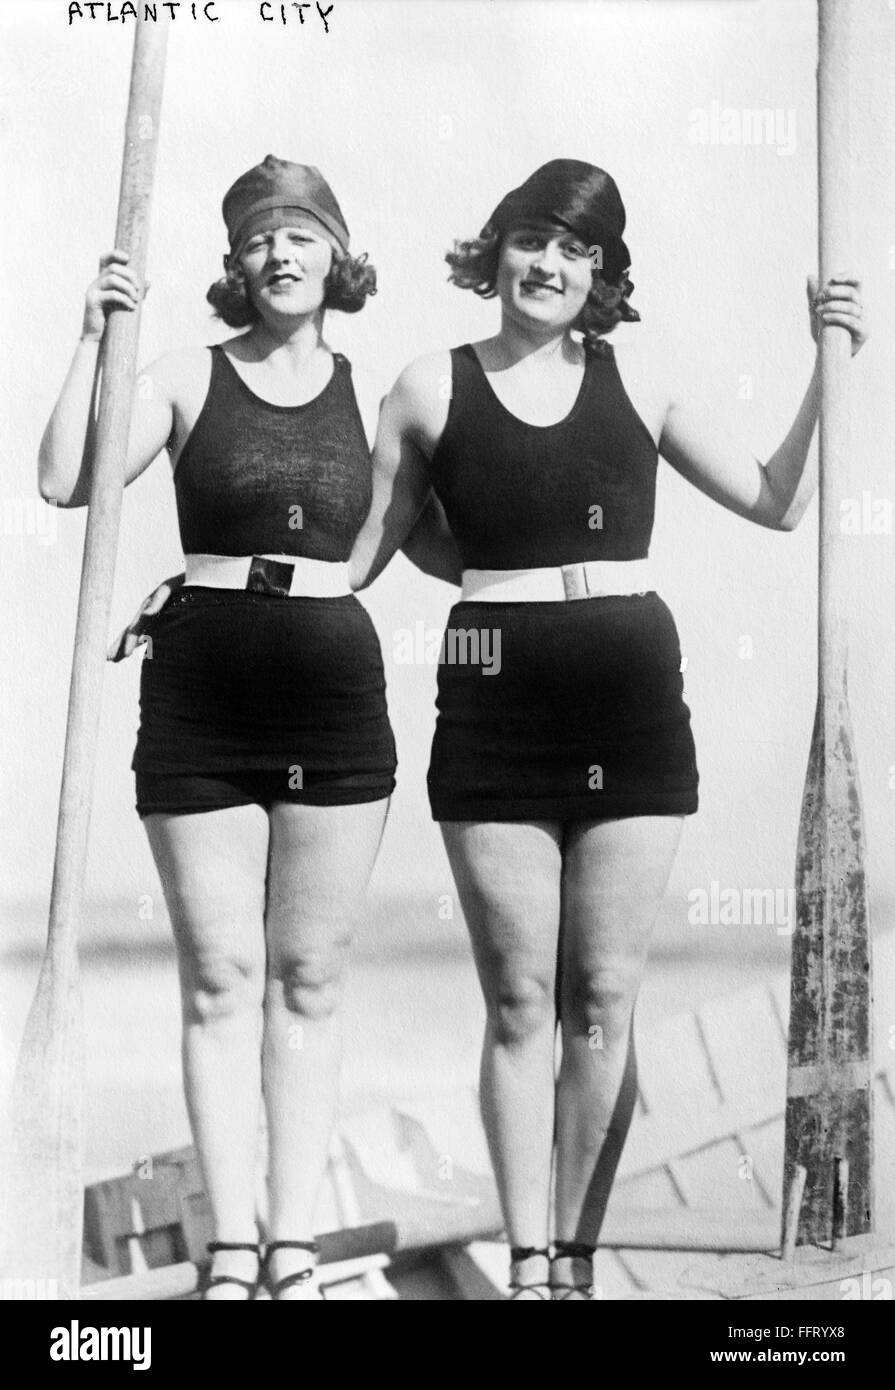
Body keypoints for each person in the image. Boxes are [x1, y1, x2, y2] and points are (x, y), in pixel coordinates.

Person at [349, 158, 867, 1298]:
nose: (550, 265)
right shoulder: (426, 385)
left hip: (631, 701)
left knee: (600, 1002)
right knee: (521, 1000)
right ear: (497, 249)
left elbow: (780, 502)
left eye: (579, 250)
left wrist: (830, 366)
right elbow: (360, 557)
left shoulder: (645, 384)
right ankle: (529, 1259)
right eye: (534, 239)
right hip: (490, 693)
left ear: (603, 273)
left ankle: (574, 1265)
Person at [38, 155, 407, 1300]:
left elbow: (410, 535)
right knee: (219, 977)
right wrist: (95, 337)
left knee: (307, 977)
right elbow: (62, 478)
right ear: (236, 264)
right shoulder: (189, 377)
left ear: (336, 255)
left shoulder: (381, 394)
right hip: (201, 692)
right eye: (257, 239)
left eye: (301, 234)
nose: (280, 254)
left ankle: (291, 1245)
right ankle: (233, 1251)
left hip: (334, 690)